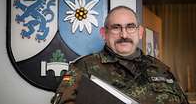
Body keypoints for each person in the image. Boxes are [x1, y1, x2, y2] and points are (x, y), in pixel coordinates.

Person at [51, 6, 189, 104]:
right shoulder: (83, 67)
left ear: (140, 32)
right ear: (104, 33)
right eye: (116, 28)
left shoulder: (162, 70)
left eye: (130, 27)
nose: (124, 35)